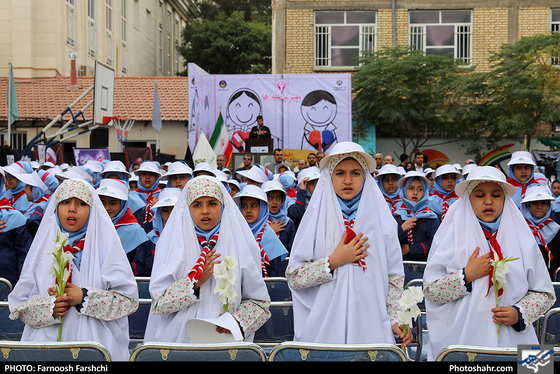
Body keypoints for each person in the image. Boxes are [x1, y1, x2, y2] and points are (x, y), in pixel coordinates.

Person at [423, 166, 555, 361]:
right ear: (468, 199)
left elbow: (545, 294)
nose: (488, 201)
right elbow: (431, 291)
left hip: (515, 338)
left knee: (533, 367)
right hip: (463, 340)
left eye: (496, 195)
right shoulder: (451, 237)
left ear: (505, 199)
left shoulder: (522, 238)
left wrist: (520, 313)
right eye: (479, 195)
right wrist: (466, 275)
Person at [285, 142, 411, 345]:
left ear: (365, 177)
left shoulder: (381, 221)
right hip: (324, 326)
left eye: (355, 173)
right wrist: (333, 261)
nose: (348, 180)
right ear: (329, 177)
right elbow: (294, 277)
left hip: (371, 324)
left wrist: (395, 319)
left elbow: (394, 275)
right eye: (340, 173)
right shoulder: (316, 220)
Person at [8, 179, 139, 361]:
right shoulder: (42, 250)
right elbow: (18, 306)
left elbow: (129, 302)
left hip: (95, 348)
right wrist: (48, 308)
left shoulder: (107, 249)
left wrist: (84, 297)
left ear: (92, 210)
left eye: (81, 203)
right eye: (65, 202)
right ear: (55, 208)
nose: (72, 209)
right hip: (47, 349)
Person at [143, 176, 271, 343]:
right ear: (188, 208)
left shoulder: (243, 245)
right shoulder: (170, 246)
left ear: (223, 205)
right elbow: (158, 304)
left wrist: (237, 322)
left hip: (226, 343)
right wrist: (194, 282)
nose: (205, 211)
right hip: (178, 342)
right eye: (197, 205)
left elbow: (260, 303)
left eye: (212, 203)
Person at [97, 179, 155, 276]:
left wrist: (117, 269)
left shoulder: (135, 231)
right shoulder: (92, 227)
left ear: (123, 204)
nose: (107, 208)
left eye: (112, 203)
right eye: (102, 203)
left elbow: (143, 266)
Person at [234, 185, 289, 277]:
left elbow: (275, 276)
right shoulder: (236, 234)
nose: (248, 210)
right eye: (244, 206)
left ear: (263, 208)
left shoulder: (270, 237)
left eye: (254, 206)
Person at [394, 171, 440, 261]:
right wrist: (402, 228)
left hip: (426, 265)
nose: (415, 193)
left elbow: (435, 245)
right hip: (400, 266)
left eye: (420, 189)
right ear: (404, 190)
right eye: (411, 188)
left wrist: (409, 249)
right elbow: (388, 244)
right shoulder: (396, 217)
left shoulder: (432, 217)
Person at [520, 185, 560, 279]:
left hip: (550, 280)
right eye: (534, 203)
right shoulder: (519, 229)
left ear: (548, 205)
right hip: (524, 280)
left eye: (543, 203)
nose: (539, 207)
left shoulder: (556, 230)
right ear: (527, 205)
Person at [262, 181, 297, 253]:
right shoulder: (258, 222)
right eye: (270, 198)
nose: (275, 202)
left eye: (278, 198)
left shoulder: (288, 223)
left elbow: (292, 248)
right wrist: (270, 232)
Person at [129, 161, 162, 233]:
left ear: (156, 177)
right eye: (144, 174)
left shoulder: (162, 195)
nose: (147, 177)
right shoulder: (131, 197)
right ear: (139, 176)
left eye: (151, 174)